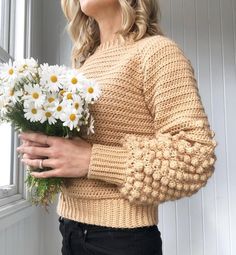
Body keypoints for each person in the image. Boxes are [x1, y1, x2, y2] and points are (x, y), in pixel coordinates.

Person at [17, 0, 218, 254]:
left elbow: (195, 157)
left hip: (119, 241)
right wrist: (49, 154)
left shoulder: (157, 52)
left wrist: (93, 159)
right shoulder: (84, 65)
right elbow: (76, 153)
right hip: (70, 231)